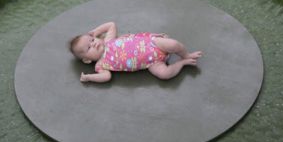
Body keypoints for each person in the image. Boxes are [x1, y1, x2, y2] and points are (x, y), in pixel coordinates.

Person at [70, 21, 202, 83]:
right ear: (87, 60)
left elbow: (111, 25)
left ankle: (186, 55)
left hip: (153, 43)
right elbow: (106, 77)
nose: (94, 43)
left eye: (92, 40)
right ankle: (182, 63)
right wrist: (89, 77)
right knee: (164, 74)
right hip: (151, 63)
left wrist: (96, 31)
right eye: (89, 48)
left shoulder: (107, 41)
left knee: (173, 44)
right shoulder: (101, 65)